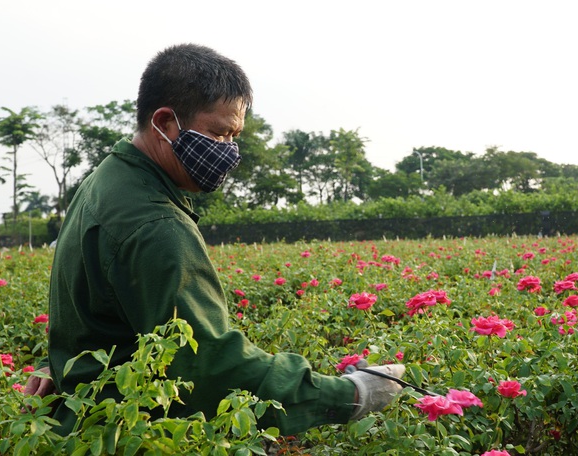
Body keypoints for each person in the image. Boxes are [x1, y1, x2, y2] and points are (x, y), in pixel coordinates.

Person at [24, 43, 404, 436]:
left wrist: (57, 361)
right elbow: (210, 366)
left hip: (85, 422)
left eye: (234, 136)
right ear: (165, 123)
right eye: (218, 133)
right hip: (129, 435)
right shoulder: (155, 225)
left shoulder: (106, 181)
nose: (229, 152)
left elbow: (93, 311)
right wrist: (350, 394)